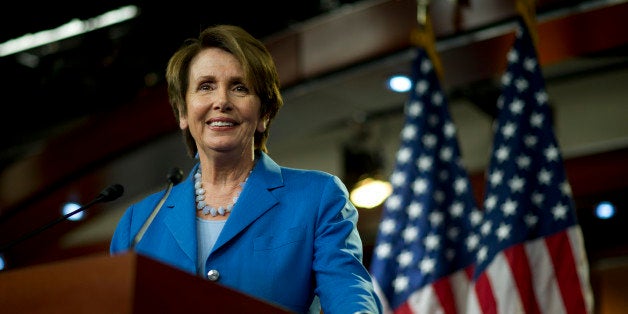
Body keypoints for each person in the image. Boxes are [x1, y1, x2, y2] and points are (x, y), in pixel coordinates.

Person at [109, 24, 383, 313]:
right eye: (206, 86)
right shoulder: (137, 224)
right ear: (182, 112)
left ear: (264, 113)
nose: (222, 101)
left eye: (240, 87)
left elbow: (349, 292)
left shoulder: (317, 197)